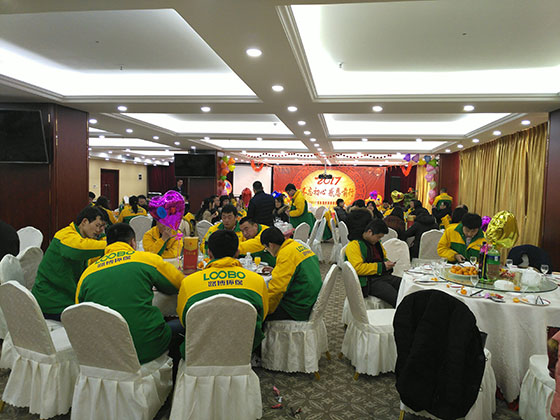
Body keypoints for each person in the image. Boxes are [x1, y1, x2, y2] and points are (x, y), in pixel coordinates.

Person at [76, 223, 184, 366]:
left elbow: (79, 314)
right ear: (133, 242)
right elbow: (177, 285)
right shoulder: (147, 259)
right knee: (183, 324)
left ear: (107, 244)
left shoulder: (87, 273)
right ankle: (175, 376)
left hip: (104, 352)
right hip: (146, 347)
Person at [177, 230, 268, 352]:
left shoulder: (189, 282)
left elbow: (184, 320)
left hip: (199, 351)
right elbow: (262, 315)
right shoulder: (257, 281)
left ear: (209, 253)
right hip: (243, 350)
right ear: (237, 252)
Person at [32, 206, 107, 320]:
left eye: (102, 227)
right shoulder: (66, 235)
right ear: (84, 222)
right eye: (97, 225)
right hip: (51, 301)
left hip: (65, 296)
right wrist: (111, 246)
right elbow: (78, 250)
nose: (99, 230)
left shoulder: (84, 238)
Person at [260, 227, 322, 320]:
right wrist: (277, 270)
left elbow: (277, 289)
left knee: (257, 315)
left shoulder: (285, 254)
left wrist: (263, 309)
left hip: (297, 306)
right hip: (310, 298)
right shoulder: (295, 245)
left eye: (266, 248)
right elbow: (295, 270)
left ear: (271, 245)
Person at [345, 218, 401, 307]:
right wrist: (382, 266)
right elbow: (357, 268)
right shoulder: (354, 245)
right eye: (378, 237)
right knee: (396, 297)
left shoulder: (376, 244)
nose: (379, 240)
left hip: (381, 275)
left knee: (404, 286)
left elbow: (383, 257)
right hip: (367, 281)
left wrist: (387, 263)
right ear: (370, 232)